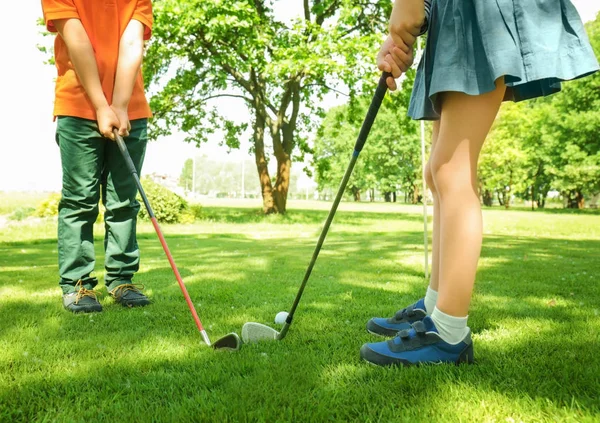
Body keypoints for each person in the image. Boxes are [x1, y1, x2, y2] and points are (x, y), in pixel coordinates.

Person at [361, 0, 599, 366]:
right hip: (454, 13)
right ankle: (434, 306)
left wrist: (404, 11)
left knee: (451, 169)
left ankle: (449, 333)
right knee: (437, 172)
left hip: (480, 10)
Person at [41, 0, 154, 313]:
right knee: (80, 201)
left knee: (124, 201)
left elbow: (132, 41)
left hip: (129, 109)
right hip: (78, 107)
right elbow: (75, 39)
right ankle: (77, 285)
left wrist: (118, 105)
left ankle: (121, 280)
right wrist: (102, 106)